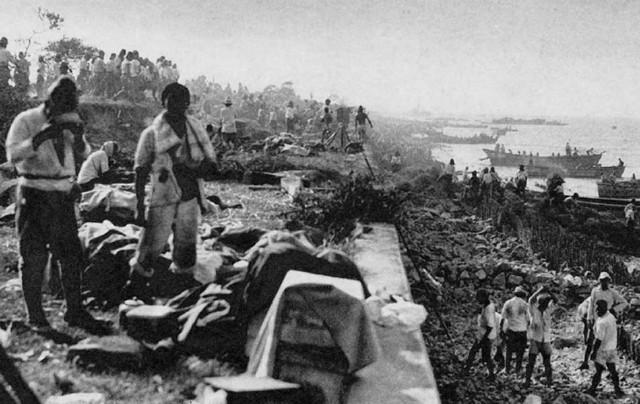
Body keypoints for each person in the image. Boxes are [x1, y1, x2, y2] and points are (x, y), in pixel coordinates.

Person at [5, 77, 110, 334]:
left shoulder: (69, 118)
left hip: (62, 194)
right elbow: (12, 155)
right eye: (63, 104)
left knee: (70, 255)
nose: (67, 109)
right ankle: (36, 317)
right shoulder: (27, 120)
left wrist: (79, 138)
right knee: (34, 256)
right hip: (34, 193)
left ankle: (74, 310)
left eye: (71, 105)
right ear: (50, 100)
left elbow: (83, 154)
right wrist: (40, 138)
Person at [126, 83, 216, 297]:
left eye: (182, 99)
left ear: (188, 103)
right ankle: (135, 288)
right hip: (162, 197)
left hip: (189, 197)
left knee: (186, 246)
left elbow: (211, 166)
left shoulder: (196, 130)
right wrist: (140, 206)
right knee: (151, 245)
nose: (178, 104)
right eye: (172, 99)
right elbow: (140, 171)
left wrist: (189, 170)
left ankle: (180, 290)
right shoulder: (151, 134)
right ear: (163, 102)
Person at [580, 271, 628, 369]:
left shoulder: (612, 292)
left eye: (605, 280)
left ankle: (605, 366)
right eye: (602, 280)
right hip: (596, 319)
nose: (604, 282)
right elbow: (591, 304)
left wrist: (614, 310)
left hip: (606, 319)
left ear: (609, 281)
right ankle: (585, 362)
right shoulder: (595, 291)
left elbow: (624, 303)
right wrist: (589, 318)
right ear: (600, 281)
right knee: (590, 341)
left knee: (605, 343)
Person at [586, 299, 625, 397]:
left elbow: (599, 339)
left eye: (598, 309)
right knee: (612, 370)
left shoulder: (602, 322)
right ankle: (617, 390)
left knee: (598, 371)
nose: (596, 311)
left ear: (603, 308)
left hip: (603, 350)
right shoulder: (610, 316)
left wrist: (594, 352)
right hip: (612, 348)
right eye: (596, 309)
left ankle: (592, 389)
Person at [524, 286, 556, 387]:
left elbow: (556, 300)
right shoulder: (533, 310)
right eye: (545, 303)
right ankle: (527, 380)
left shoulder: (547, 311)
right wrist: (540, 290)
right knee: (531, 362)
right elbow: (531, 299)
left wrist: (549, 291)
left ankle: (549, 381)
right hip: (535, 339)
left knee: (547, 362)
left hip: (546, 340)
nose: (547, 305)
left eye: (547, 303)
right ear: (540, 303)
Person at [463, 289, 496, 381]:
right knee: (480, 354)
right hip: (483, 334)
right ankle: (490, 374)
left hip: (486, 336)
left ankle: (491, 374)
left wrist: (483, 340)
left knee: (482, 355)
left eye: (479, 298)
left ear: (484, 297)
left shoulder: (488, 309)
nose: (477, 299)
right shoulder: (487, 305)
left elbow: (490, 326)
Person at [501, 286, 529, 374]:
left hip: (511, 330)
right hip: (522, 331)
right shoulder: (525, 305)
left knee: (508, 351)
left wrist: (501, 331)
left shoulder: (508, 303)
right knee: (520, 352)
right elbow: (528, 320)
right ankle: (518, 370)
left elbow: (503, 318)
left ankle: (507, 369)